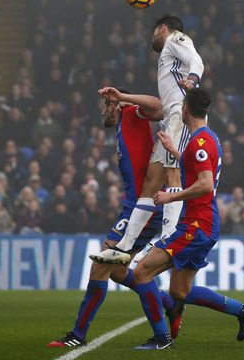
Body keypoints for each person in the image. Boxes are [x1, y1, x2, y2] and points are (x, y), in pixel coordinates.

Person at [128, 87, 244, 350]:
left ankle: (162, 339)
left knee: (142, 272)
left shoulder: (199, 143)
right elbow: (196, 168)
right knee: (180, 292)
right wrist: (173, 150)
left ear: (185, 109)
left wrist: (170, 197)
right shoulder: (206, 139)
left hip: (196, 226)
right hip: (203, 224)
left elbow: (205, 184)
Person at [47, 88, 172, 348]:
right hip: (134, 207)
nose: (103, 110)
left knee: (100, 266)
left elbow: (159, 107)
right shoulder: (121, 126)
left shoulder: (131, 112)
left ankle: (78, 335)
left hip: (144, 209)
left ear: (115, 104)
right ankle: (167, 304)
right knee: (117, 272)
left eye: (106, 105)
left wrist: (124, 98)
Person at [90, 14, 204, 266]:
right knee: (152, 182)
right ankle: (124, 247)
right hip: (170, 119)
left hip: (181, 114)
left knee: (172, 174)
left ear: (162, 28)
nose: (152, 37)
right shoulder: (167, 56)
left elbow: (196, 60)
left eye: (154, 31)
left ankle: (168, 237)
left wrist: (193, 79)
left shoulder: (176, 38)